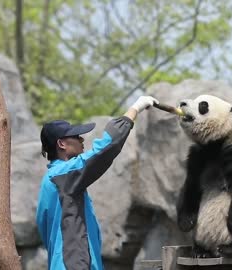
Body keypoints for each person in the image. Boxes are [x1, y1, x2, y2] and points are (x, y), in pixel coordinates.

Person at [36, 96, 159, 270]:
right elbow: (104, 150)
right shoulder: (63, 176)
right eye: (76, 136)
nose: (82, 140)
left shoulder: (51, 180)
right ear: (62, 143)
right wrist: (135, 109)